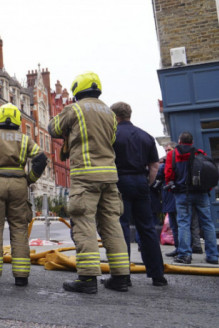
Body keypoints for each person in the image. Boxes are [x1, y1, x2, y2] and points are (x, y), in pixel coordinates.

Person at [48, 72, 130, 294]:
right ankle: (121, 277)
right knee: (112, 225)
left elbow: (52, 128)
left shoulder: (75, 109)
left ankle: (87, 278)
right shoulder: (110, 113)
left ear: (77, 90)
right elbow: (111, 141)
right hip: (110, 177)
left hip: (86, 175)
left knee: (84, 224)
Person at [0, 103, 47, 287]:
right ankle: (21, 277)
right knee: (19, 229)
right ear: (17, 120)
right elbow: (41, 158)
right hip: (19, 184)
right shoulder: (25, 139)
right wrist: (29, 179)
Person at [110, 102, 167, 287]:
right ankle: (158, 275)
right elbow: (154, 167)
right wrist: (147, 183)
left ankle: (123, 275)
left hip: (120, 182)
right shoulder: (146, 137)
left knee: (122, 228)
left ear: (115, 116)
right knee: (147, 228)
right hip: (141, 183)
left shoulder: (112, 136)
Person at [164, 132, 219, 265]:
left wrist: (173, 187)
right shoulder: (199, 153)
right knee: (207, 223)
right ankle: (212, 256)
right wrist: (207, 190)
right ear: (192, 142)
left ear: (179, 141)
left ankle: (185, 255)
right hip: (201, 194)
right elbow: (209, 173)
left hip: (182, 194)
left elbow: (168, 175)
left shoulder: (172, 155)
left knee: (183, 223)